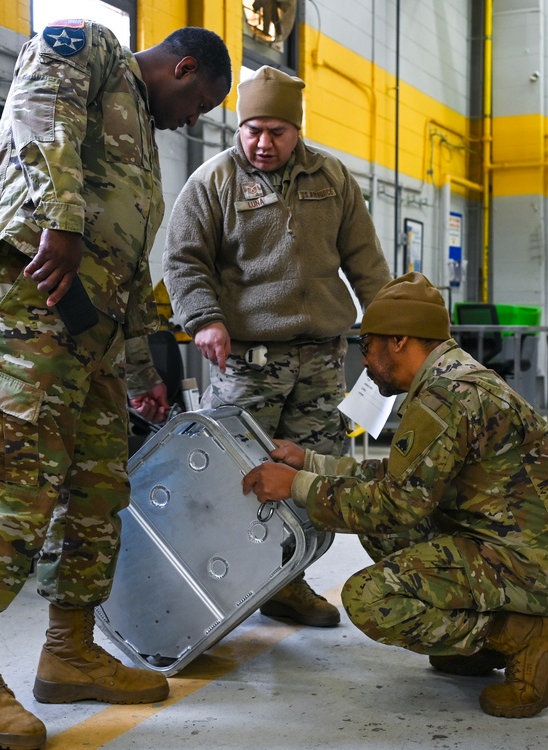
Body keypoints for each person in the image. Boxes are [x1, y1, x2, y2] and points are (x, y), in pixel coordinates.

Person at [0, 21, 232, 750]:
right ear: (184, 69)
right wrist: (59, 222)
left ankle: (69, 650)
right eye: (199, 107)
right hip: (23, 305)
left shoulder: (141, 140)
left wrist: (140, 372)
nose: (191, 121)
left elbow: (123, 269)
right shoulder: (85, 46)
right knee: (12, 487)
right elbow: (37, 112)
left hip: (88, 343)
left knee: (97, 494)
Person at [241, 272, 548, 718]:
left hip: (538, 566)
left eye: (366, 346)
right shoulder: (454, 378)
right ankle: (481, 641)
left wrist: (295, 487)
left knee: (371, 598)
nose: (366, 363)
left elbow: (395, 505)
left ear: (398, 339)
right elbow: (401, 479)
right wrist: (310, 463)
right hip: (532, 549)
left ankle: (523, 637)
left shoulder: (444, 398)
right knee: (387, 534)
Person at [163, 65, 392, 628]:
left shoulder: (333, 179)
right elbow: (183, 260)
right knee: (233, 477)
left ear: (298, 129)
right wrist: (205, 318)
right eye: (252, 130)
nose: (263, 144)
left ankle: (287, 582)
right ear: (239, 128)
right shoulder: (213, 182)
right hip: (247, 362)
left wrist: (386, 329)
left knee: (317, 475)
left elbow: (366, 262)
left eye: (277, 132)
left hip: (321, 360)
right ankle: (221, 584)